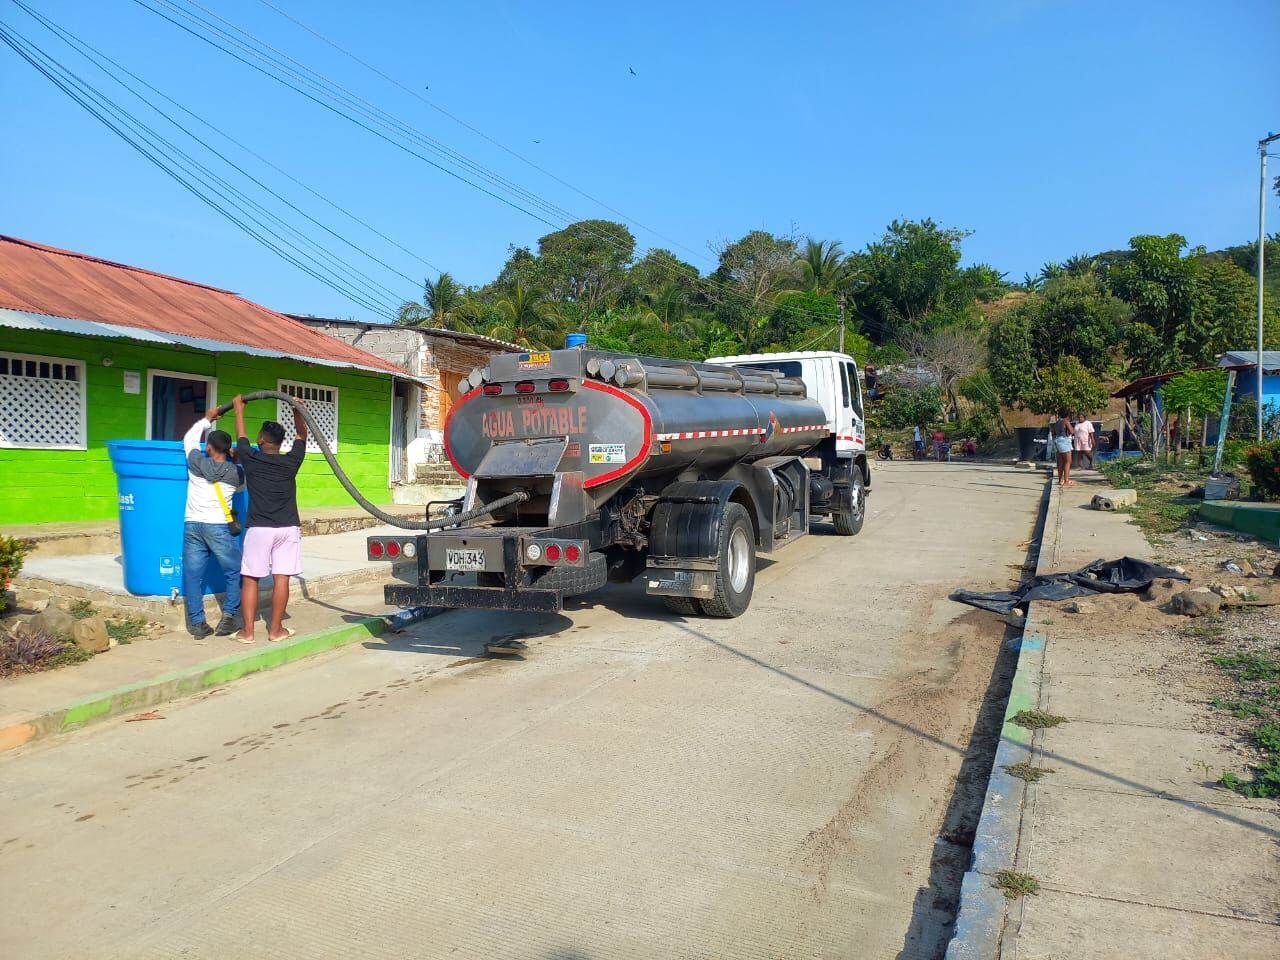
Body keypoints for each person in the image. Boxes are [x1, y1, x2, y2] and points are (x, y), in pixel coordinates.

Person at [233, 395, 307, 643]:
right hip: (288, 528)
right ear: (280, 443)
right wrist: (297, 410)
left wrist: (239, 409)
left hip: (260, 528)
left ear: (262, 440)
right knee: (282, 578)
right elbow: (302, 435)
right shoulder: (291, 461)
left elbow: (241, 436)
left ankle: (248, 632)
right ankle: (276, 631)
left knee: (251, 579)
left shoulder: (250, 458)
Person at [181, 411, 244, 638]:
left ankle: (197, 624)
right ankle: (229, 619)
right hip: (218, 526)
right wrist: (237, 460)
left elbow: (189, 439)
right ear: (228, 450)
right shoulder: (236, 472)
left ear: (208, 448)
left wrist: (207, 419)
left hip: (193, 525)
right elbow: (241, 489)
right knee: (233, 572)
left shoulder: (196, 463)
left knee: (193, 576)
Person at [1053, 408, 1075, 486]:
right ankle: (1066, 481)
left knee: (1060, 462)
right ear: (1068, 414)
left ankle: (1060, 480)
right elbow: (1072, 432)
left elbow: (1053, 433)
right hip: (1065, 442)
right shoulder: (1066, 421)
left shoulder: (1057, 422)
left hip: (1057, 441)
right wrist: (1074, 429)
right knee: (1068, 462)